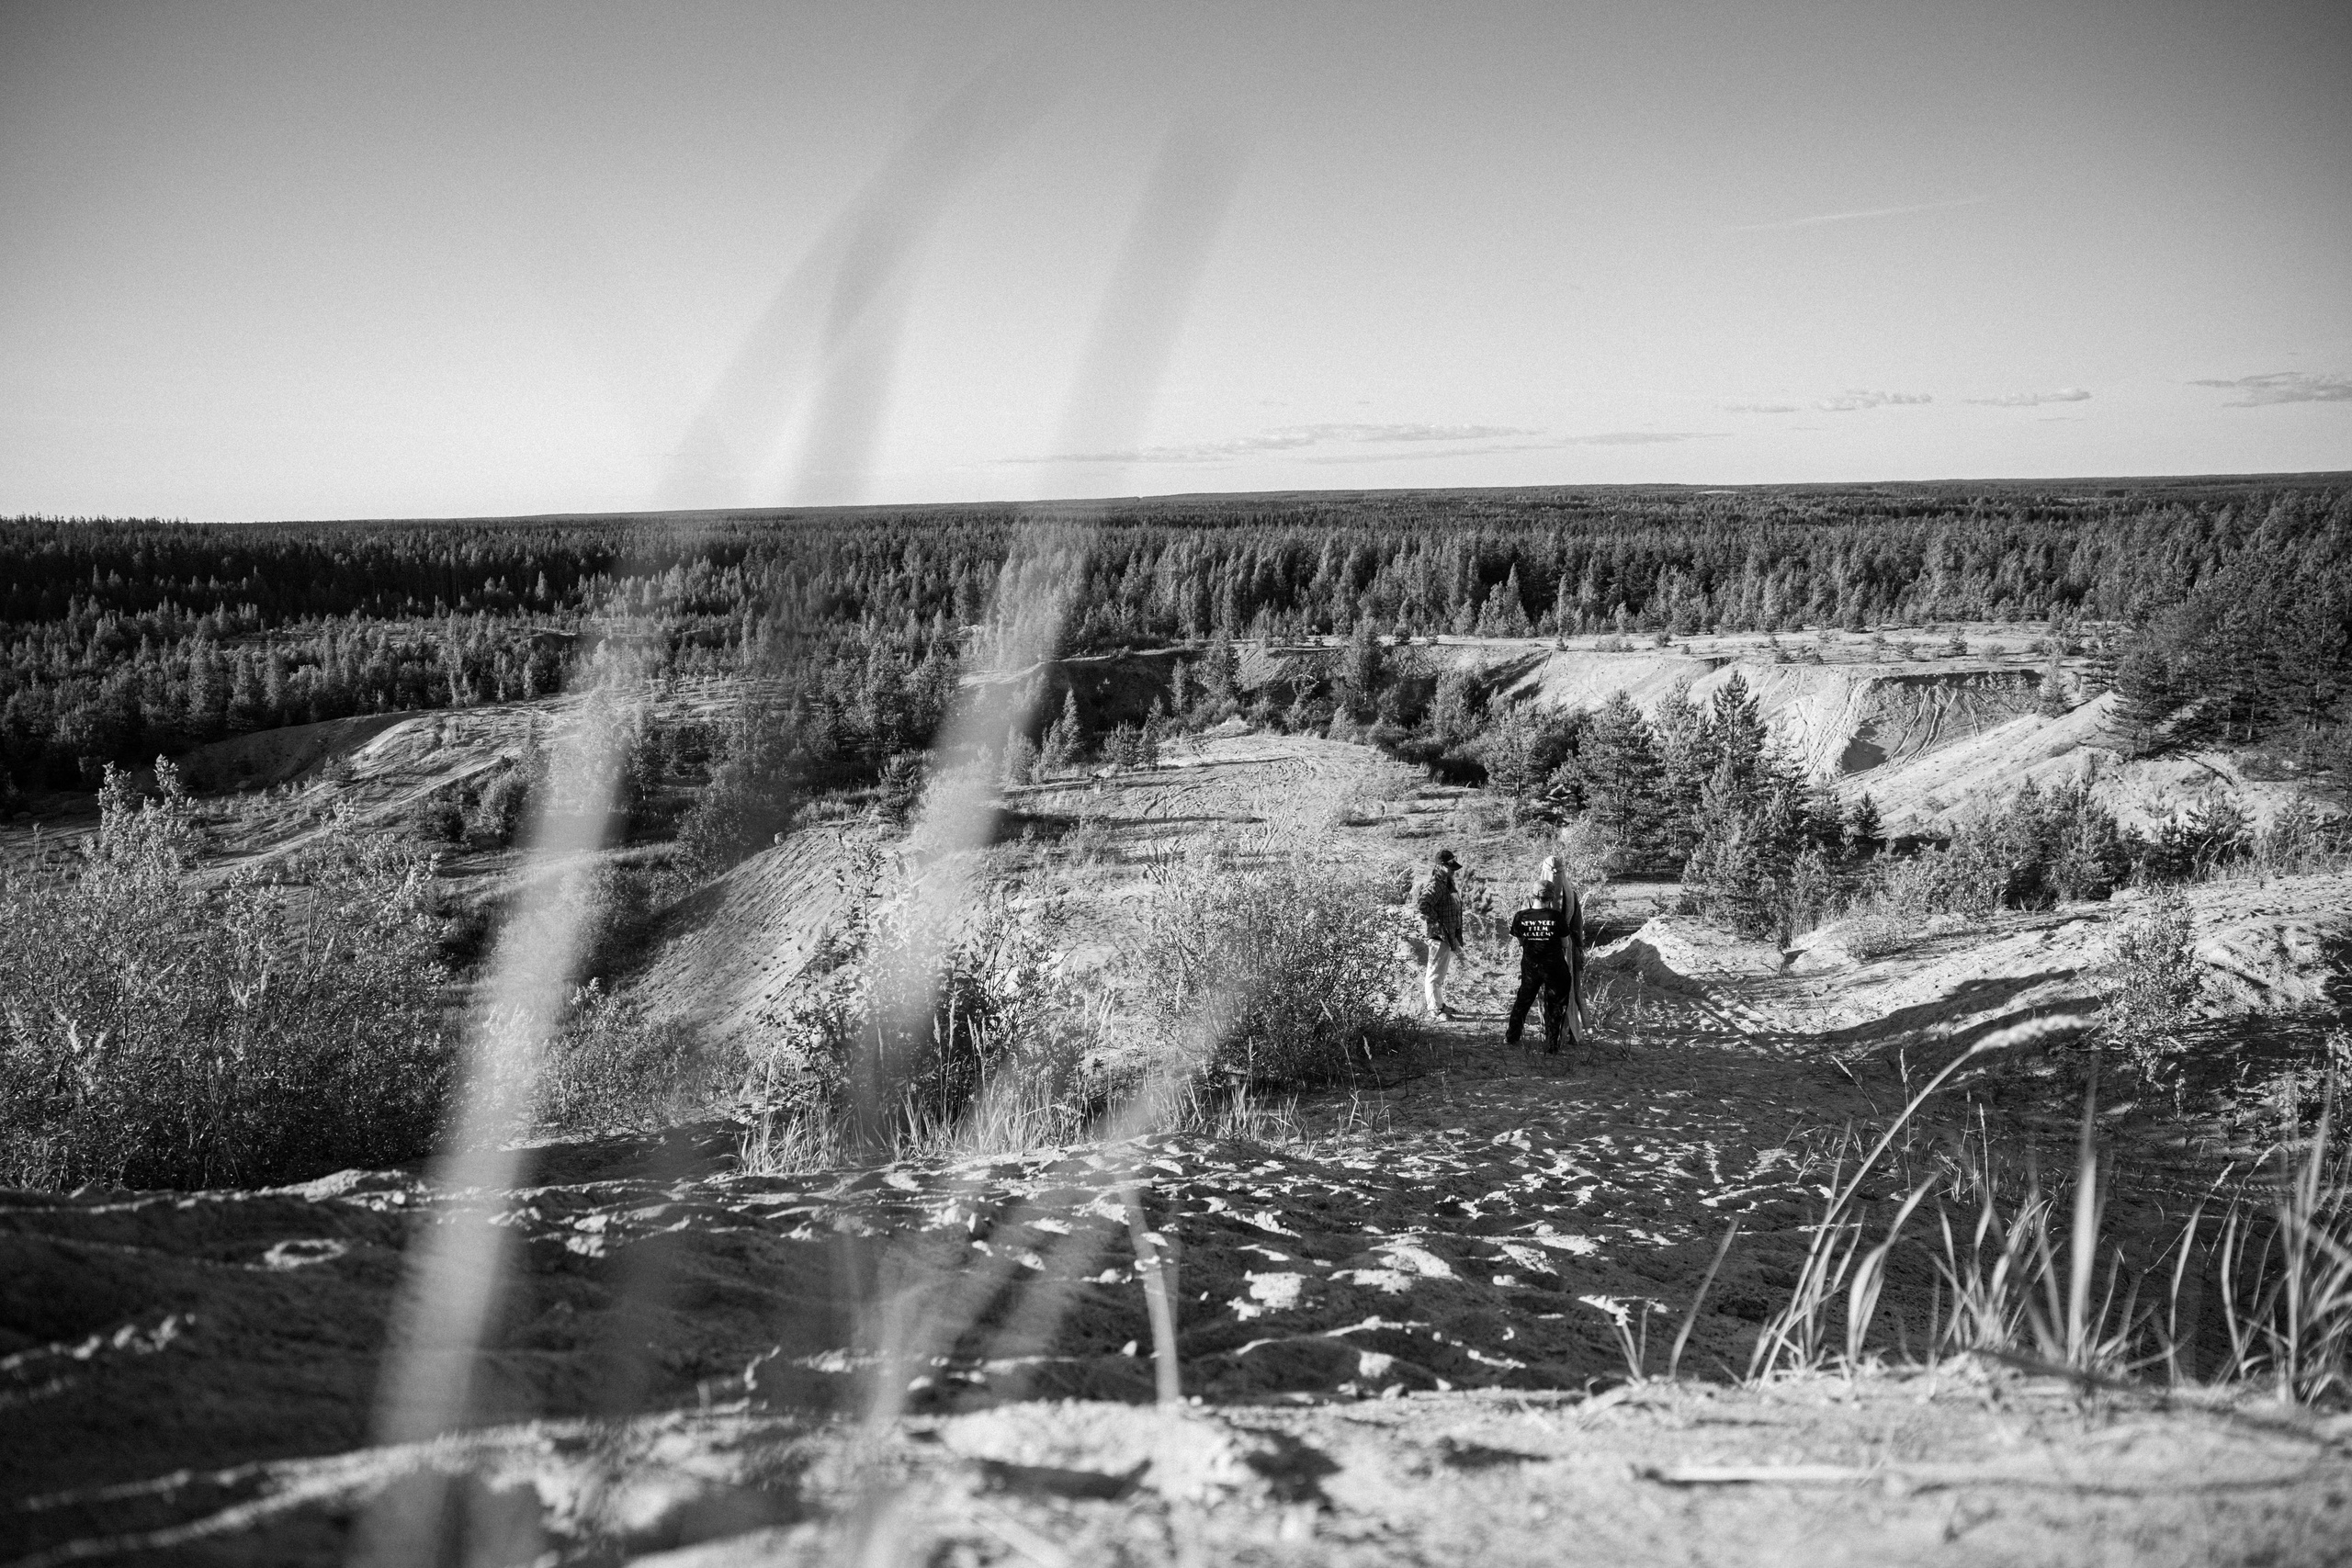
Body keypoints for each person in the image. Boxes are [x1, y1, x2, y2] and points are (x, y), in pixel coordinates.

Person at [1506, 880, 1578, 1054]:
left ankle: (1511, 1037)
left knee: (1523, 1001)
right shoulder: (1556, 917)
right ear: (1551, 898)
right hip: (1554, 967)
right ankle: (1552, 1045)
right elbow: (1565, 944)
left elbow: (1521, 942)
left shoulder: (1521, 916)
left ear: (1533, 895)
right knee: (1557, 1004)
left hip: (1531, 966)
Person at [1416, 848, 1465, 1019]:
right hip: (1439, 934)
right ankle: (1434, 1010)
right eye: (1450, 867)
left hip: (1445, 934)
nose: (1453, 870)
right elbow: (1423, 905)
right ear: (1440, 866)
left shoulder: (1445, 884)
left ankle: (1439, 1005)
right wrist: (1437, 919)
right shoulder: (1436, 885)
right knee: (1434, 974)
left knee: (1439, 974)